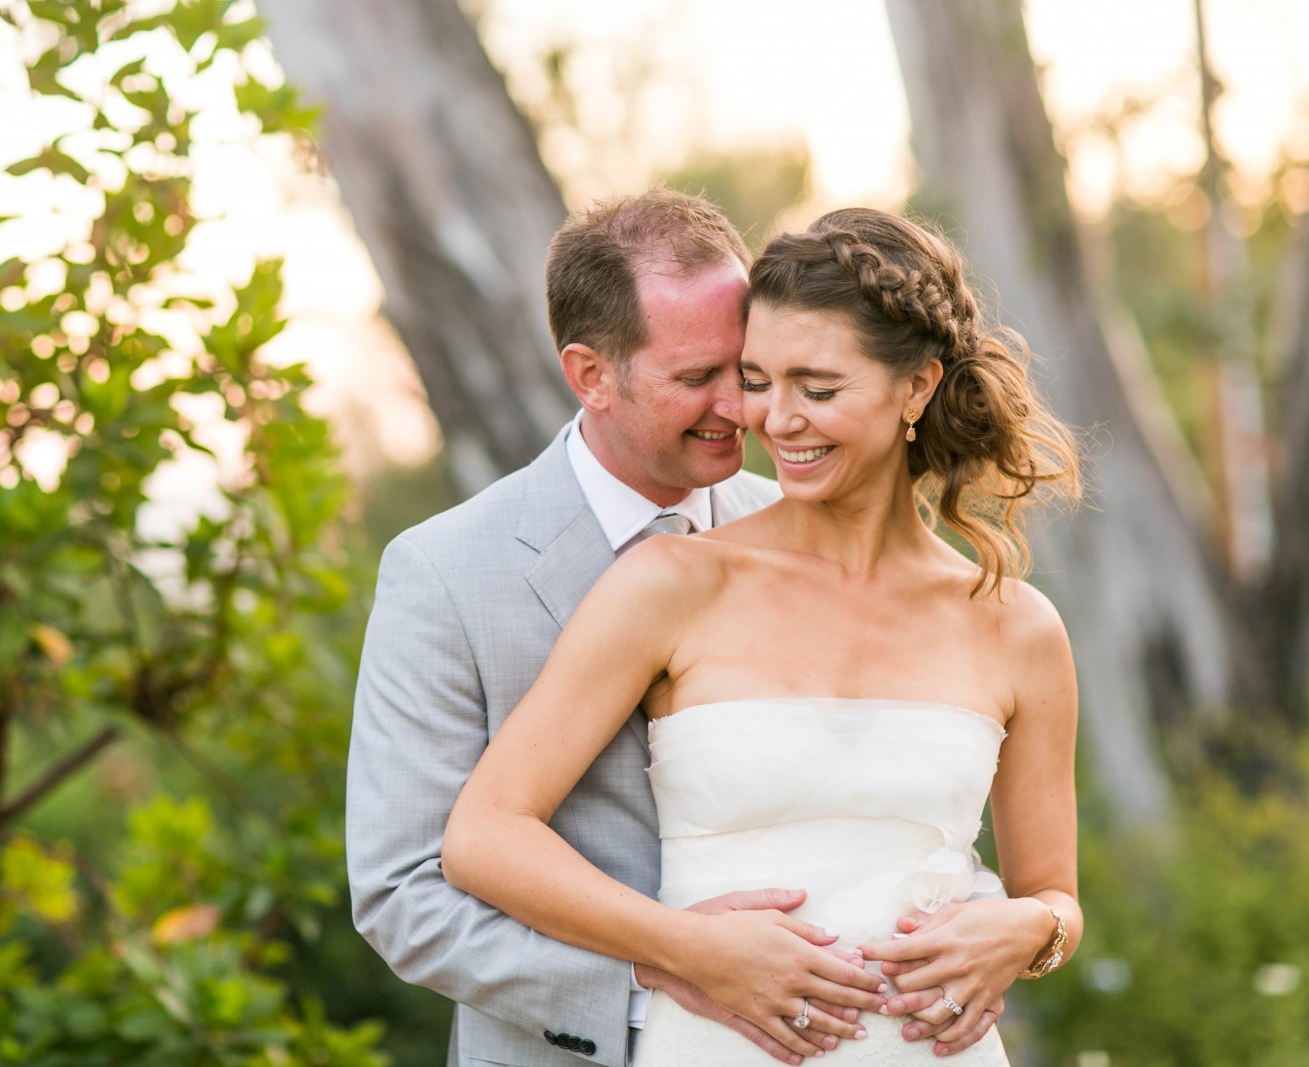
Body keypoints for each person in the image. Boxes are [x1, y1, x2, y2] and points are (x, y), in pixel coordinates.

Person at [442, 207, 1083, 1065]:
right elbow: (484, 834)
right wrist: (681, 946)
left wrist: (1031, 929)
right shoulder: (673, 582)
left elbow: (1055, 895)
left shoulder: (1017, 624)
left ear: (918, 388)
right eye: (757, 380)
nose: (775, 420)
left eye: (818, 388)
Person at [348, 189, 931, 1067]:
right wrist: (657, 985)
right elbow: (402, 895)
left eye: (747, 369)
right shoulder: (443, 573)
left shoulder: (802, 525)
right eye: (696, 378)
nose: (742, 409)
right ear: (590, 375)